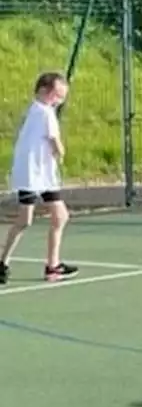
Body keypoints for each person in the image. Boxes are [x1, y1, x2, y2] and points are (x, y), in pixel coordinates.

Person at [2, 72, 78, 285]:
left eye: (62, 97)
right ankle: (3, 263)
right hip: (33, 175)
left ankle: (52, 266)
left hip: (41, 175)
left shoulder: (32, 111)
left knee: (60, 216)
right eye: (57, 96)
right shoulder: (45, 113)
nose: (59, 101)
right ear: (43, 91)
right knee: (25, 220)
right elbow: (54, 141)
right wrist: (61, 153)